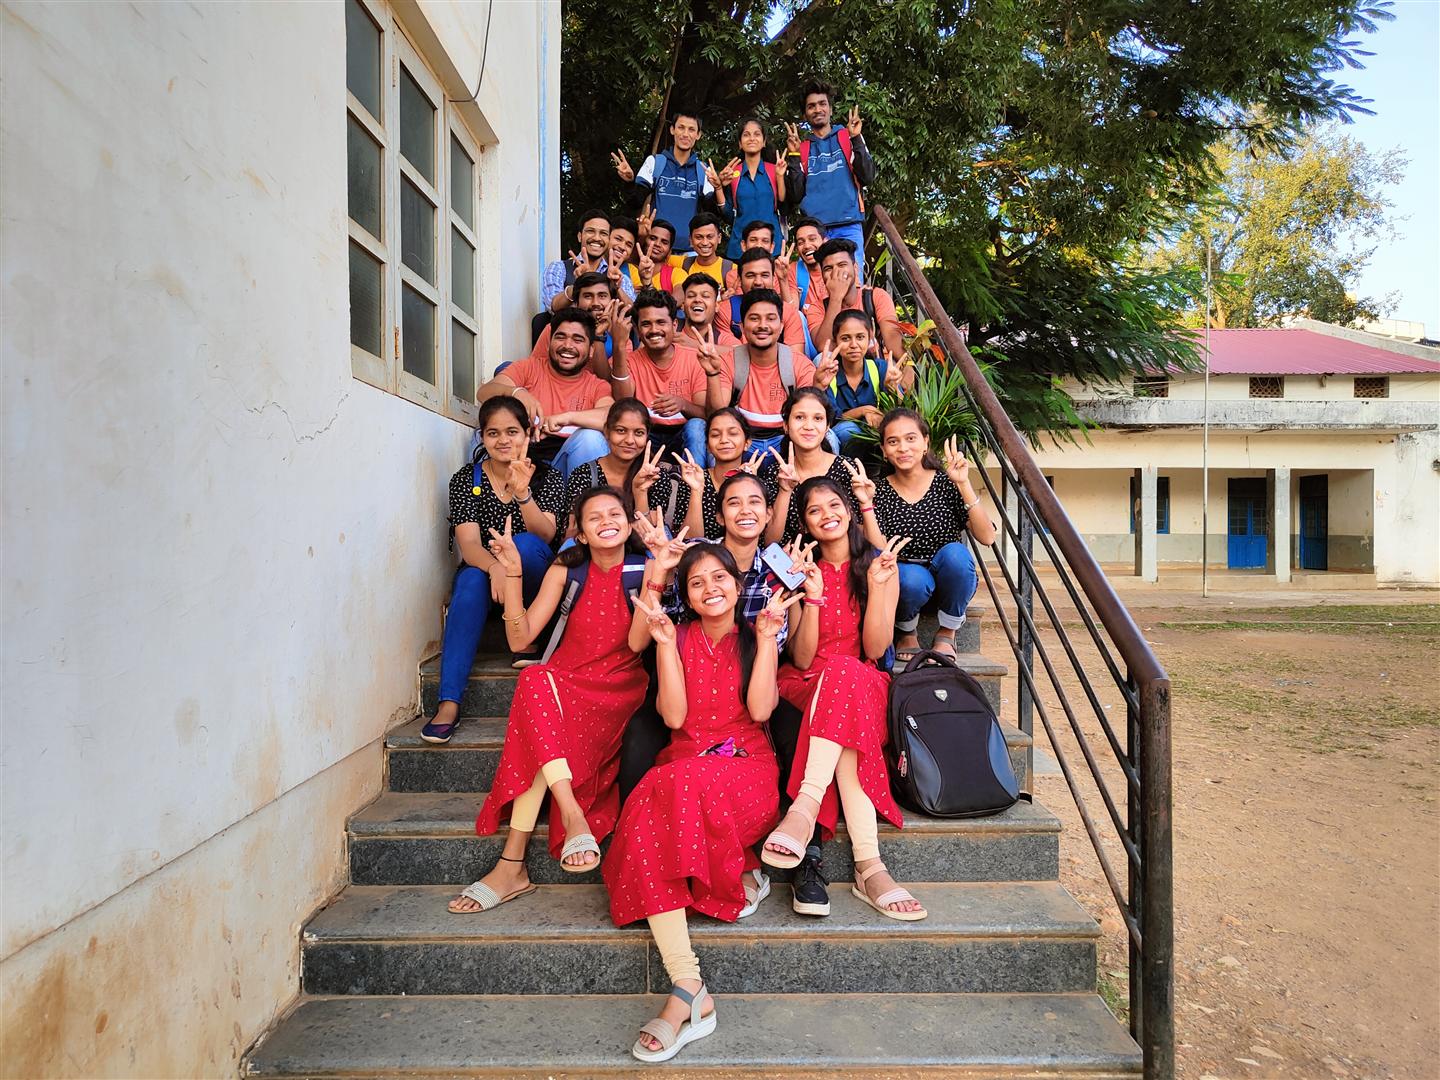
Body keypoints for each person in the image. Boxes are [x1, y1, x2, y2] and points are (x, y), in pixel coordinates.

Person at [609, 548, 795, 1063]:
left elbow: (761, 710)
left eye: (719, 578)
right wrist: (666, 646)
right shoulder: (678, 635)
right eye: (696, 582)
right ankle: (688, 984)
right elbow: (673, 719)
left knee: (671, 786)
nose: (710, 588)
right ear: (687, 596)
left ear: (738, 585)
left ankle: (735, 874)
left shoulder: (755, 635)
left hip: (746, 771)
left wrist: (767, 640)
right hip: (684, 769)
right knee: (647, 803)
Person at [450, 487, 650, 915]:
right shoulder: (566, 568)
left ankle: (512, 865)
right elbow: (520, 639)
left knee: (537, 707)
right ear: (580, 534)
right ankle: (572, 814)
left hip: (617, 688)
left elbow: (637, 644)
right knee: (535, 678)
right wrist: (514, 575)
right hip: (564, 682)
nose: (606, 521)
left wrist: (658, 577)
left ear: (630, 522)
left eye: (614, 513)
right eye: (594, 517)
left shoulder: (646, 568)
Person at [762, 477, 926, 921]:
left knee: (846, 671)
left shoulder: (879, 565)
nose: (827, 515)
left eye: (834, 505)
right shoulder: (799, 569)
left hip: (863, 681)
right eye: (814, 510)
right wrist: (811, 597)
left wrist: (877, 587)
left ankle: (805, 804)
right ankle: (869, 866)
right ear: (805, 523)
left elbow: (874, 649)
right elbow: (800, 657)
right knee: (840, 685)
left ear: (850, 511)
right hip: (807, 683)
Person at [421, 398, 566, 745]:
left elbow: (546, 535)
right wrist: (497, 569)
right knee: (470, 580)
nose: (503, 440)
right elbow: (469, 544)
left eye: (512, 431)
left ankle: (528, 635)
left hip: (531, 577)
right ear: (482, 437)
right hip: (487, 575)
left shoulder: (548, 477)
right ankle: (449, 702)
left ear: (528, 434)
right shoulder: (466, 479)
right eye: (493, 433)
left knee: (526, 545)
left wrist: (523, 493)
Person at [874, 409, 997, 661]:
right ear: (884, 450)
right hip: (907, 585)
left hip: (951, 581)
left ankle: (947, 632)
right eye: (893, 441)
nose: (903, 448)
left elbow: (987, 537)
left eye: (911, 438)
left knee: (956, 555)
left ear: (925, 443)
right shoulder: (878, 490)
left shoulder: (946, 483)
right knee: (910, 577)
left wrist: (963, 483)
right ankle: (907, 631)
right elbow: (877, 549)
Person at [477, 309, 613, 479]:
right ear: (548, 343)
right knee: (481, 434)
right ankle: (486, 494)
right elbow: (484, 392)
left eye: (578, 340)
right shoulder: (529, 368)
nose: (568, 345)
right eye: (560, 337)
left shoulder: (597, 385)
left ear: (591, 350)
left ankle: (585, 498)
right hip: (521, 461)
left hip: (566, 469)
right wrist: (517, 392)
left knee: (590, 438)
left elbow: (611, 417)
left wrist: (566, 418)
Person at [697, 289, 816, 456]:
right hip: (742, 440)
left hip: (786, 439)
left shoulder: (799, 364)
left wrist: (819, 385)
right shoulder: (728, 361)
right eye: (754, 318)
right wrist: (713, 374)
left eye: (770, 318)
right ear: (742, 326)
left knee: (829, 437)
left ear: (781, 326)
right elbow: (717, 414)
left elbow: (809, 416)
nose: (762, 325)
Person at [561, 398, 690, 538]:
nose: (629, 440)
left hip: (642, 545)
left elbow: (649, 537)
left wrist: (640, 492)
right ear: (607, 431)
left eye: (639, 433)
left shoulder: (656, 475)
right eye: (621, 431)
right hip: (596, 545)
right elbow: (571, 535)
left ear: (647, 436)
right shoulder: (584, 474)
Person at [763, 386, 875, 545]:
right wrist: (784, 491)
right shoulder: (776, 473)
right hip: (794, 559)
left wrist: (866, 502)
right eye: (800, 417)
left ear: (828, 426)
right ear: (786, 425)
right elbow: (770, 544)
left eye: (818, 418)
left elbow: (865, 539)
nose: (809, 426)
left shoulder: (847, 469)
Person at [606, 291, 708, 463]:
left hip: (683, 434)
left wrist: (683, 404)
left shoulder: (694, 358)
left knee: (697, 426)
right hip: (644, 434)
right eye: (646, 324)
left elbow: (706, 414)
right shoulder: (627, 360)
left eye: (661, 322)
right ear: (637, 330)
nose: (654, 330)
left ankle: (695, 478)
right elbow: (622, 402)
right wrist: (619, 345)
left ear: (674, 325)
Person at [613, 112, 728, 253]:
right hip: (657, 249)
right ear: (672, 129)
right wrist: (630, 181)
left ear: (698, 135)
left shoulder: (703, 170)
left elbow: (711, 214)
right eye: (681, 127)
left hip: (690, 251)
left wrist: (719, 187)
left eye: (691, 129)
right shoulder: (655, 162)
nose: (685, 134)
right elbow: (635, 201)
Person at [797, 80, 875, 278]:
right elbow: (795, 193)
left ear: (830, 109)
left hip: (848, 225)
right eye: (811, 106)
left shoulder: (847, 137)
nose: (817, 109)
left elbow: (868, 175)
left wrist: (856, 138)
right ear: (805, 114)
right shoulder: (802, 148)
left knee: (852, 284)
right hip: (815, 232)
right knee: (817, 287)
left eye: (822, 104)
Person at [815, 309, 910, 453]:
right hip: (843, 441)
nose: (853, 344)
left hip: (879, 434)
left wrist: (894, 388)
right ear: (835, 341)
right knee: (848, 430)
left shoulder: (881, 368)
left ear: (869, 338)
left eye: (860, 337)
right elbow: (831, 419)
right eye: (845, 338)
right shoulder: (829, 373)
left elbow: (901, 410)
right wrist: (864, 411)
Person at [679, 409, 771, 541]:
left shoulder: (759, 485)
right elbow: (689, 540)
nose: (724, 440)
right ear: (707, 446)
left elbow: (768, 541)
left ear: (747, 443)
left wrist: (748, 484)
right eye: (715, 435)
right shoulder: (693, 480)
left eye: (733, 433)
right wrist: (696, 491)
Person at [806, 238, 904, 360]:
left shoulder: (876, 296)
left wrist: (907, 364)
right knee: (821, 359)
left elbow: (891, 335)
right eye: (828, 268)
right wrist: (836, 298)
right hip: (839, 367)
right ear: (822, 275)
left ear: (855, 268)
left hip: (875, 364)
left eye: (842, 265)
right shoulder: (816, 308)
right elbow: (823, 347)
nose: (836, 273)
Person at [721, 118, 806, 260]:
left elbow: (783, 205)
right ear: (740, 143)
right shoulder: (732, 173)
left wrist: (780, 177)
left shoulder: (775, 169)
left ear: (764, 141)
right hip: (740, 247)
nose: (752, 138)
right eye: (746, 134)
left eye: (757, 134)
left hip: (771, 246)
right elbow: (728, 215)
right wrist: (719, 187)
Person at [526, 271, 620, 377]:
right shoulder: (554, 329)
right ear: (576, 302)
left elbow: (606, 379)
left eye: (602, 296)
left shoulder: (620, 336)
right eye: (588, 296)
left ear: (612, 302)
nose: (595, 303)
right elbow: (533, 370)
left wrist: (599, 336)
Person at [540, 210, 635, 312]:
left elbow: (633, 313)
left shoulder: (619, 278)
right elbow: (552, 306)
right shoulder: (558, 268)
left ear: (608, 240)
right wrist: (578, 285)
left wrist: (617, 288)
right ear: (579, 236)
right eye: (590, 231)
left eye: (603, 233)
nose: (597, 238)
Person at [724, 248, 811, 354]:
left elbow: (796, 356)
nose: (758, 282)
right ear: (739, 279)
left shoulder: (788, 311)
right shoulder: (726, 309)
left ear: (773, 279)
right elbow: (726, 355)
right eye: (750, 276)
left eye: (764, 275)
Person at [666, 212, 733, 293]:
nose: (705, 243)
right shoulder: (680, 263)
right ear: (691, 240)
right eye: (699, 237)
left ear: (719, 238)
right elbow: (655, 255)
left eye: (710, 237)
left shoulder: (731, 269)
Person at [676, 273, 740, 349]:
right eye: (691, 296)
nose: (697, 300)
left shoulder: (725, 340)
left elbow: (739, 352)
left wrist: (696, 345)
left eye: (705, 296)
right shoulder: (671, 330)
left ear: (716, 306)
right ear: (683, 305)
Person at [721, 220, 780, 296]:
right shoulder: (733, 275)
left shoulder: (780, 273)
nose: (759, 245)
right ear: (744, 245)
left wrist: (783, 280)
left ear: (772, 247)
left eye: (765, 241)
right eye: (753, 240)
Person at [628, 218, 681, 295]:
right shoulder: (628, 268)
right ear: (644, 241)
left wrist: (647, 289)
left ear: (670, 251)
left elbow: (679, 298)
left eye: (664, 242)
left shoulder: (677, 274)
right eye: (652, 238)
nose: (657, 244)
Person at [785, 216, 828, 311]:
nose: (807, 246)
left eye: (812, 239)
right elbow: (792, 311)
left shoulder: (842, 264)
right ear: (797, 249)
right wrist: (782, 279)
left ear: (825, 241)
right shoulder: (792, 270)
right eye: (801, 242)